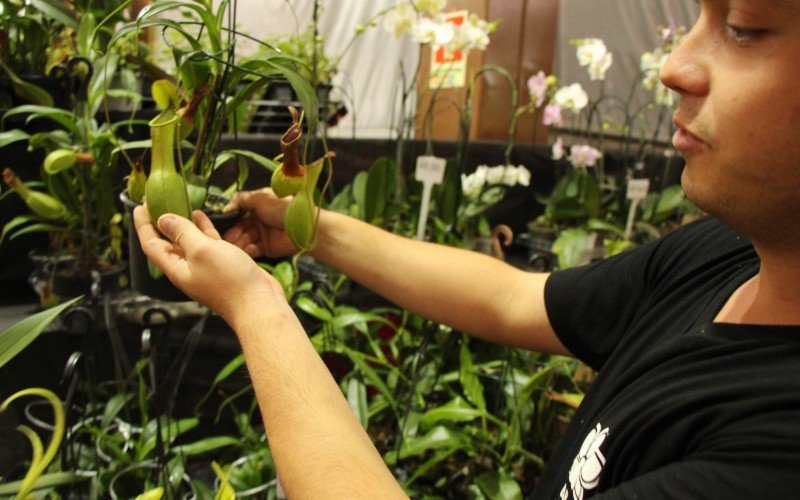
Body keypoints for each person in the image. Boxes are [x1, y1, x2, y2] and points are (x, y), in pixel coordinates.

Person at [134, 0, 800, 497]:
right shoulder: (728, 256)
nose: (677, 66)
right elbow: (514, 298)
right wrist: (311, 228)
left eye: (743, 28)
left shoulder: (772, 450)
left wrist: (255, 305)